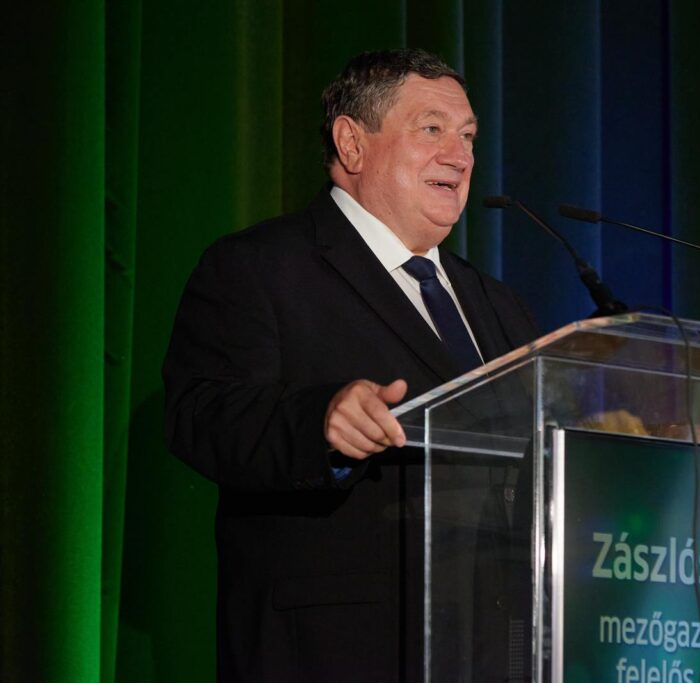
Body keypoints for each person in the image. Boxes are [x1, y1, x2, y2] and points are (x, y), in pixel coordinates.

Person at [163, 48, 539, 682]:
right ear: (352, 143)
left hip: (491, 651)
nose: (460, 156)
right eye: (432, 129)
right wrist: (321, 421)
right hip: (337, 649)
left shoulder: (497, 304)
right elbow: (200, 415)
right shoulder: (260, 267)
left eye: (468, 136)